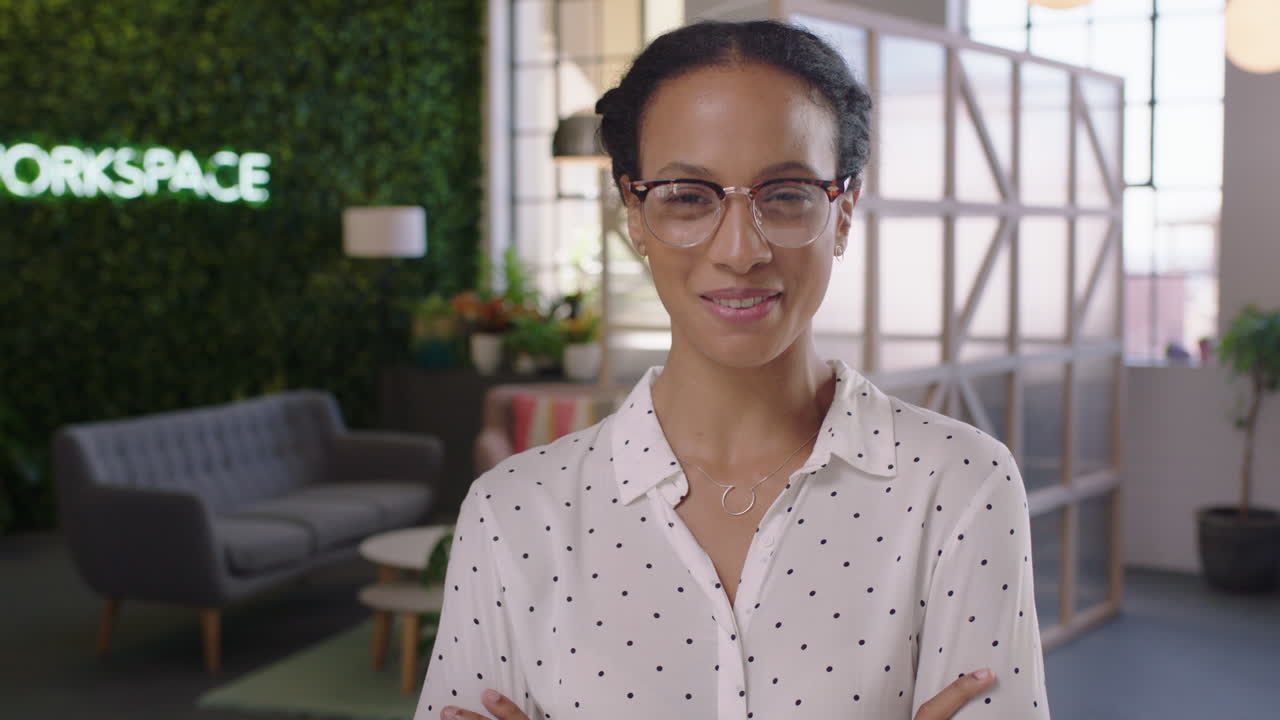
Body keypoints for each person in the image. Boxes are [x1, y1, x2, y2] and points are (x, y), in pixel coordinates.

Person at [418, 19, 1050, 720]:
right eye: (689, 196)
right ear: (634, 212)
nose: (739, 250)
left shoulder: (960, 486)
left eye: (784, 194)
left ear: (843, 212)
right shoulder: (512, 514)